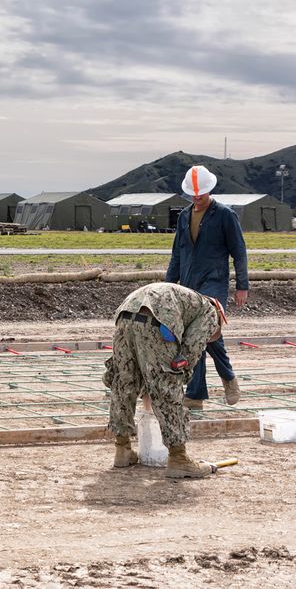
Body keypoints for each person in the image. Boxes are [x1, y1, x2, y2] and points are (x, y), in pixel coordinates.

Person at [104, 282, 226, 478]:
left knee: (123, 380)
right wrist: (180, 372)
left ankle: (122, 449)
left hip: (125, 316)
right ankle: (179, 458)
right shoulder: (209, 311)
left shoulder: (186, 299)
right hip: (157, 320)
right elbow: (192, 347)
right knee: (167, 385)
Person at [165, 165, 249, 410]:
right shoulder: (184, 216)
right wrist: (168, 286)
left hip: (214, 283)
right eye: (193, 194)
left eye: (200, 194)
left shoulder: (224, 215)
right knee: (195, 338)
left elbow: (239, 252)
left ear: (209, 190)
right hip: (189, 285)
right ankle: (198, 393)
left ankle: (224, 378)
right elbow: (177, 255)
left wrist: (242, 285)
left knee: (204, 333)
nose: (196, 197)